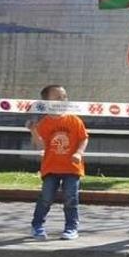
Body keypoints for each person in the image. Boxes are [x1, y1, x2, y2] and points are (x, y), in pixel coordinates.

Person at [27, 85, 89, 241]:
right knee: (46, 197)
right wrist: (33, 131)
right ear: (47, 102)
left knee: (71, 198)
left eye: (64, 97)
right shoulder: (45, 122)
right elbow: (40, 145)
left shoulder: (74, 120)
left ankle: (71, 227)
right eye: (57, 98)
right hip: (51, 167)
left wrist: (79, 153)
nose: (62, 100)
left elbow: (84, 138)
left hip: (72, 168)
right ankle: (37, 225)